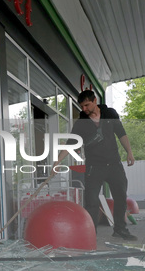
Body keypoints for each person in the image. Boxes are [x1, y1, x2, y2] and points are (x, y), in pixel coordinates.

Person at [54, 90, 137, 240]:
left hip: (114, 165)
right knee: (91, 202)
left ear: (95, 100)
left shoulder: (110, 114)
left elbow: (121, 133)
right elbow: (71, 144)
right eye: (82, 106)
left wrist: (129, 152)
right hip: (94, 168)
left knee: (120, 197)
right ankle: (91, 234)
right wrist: (58, 161)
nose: (84, 109)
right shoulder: (81, 123)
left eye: (86, 105)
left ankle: (120, 229)